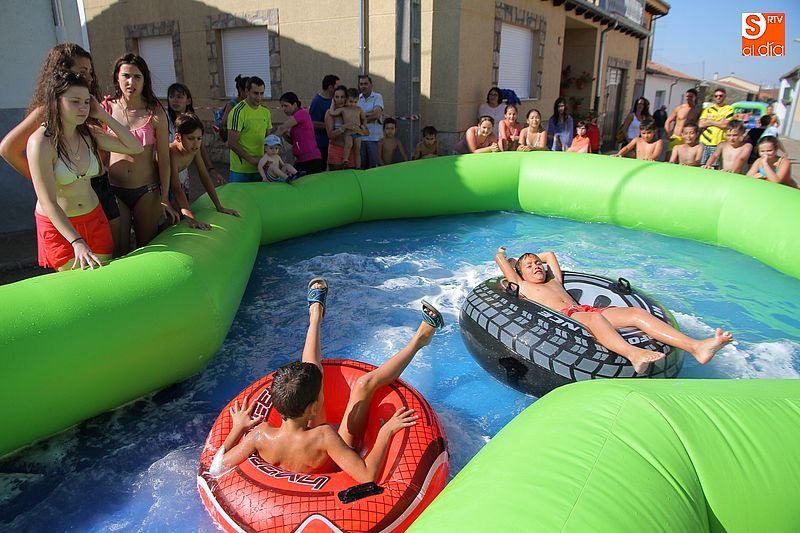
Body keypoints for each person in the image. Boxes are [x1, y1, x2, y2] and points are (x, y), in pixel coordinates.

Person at [208, 279, 445, 480]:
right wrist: (385, 432)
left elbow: (216, 467)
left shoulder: (259, 435)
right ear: (313, 408)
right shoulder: (326, 436)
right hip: (335, 455)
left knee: (311, 370)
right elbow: (366, 476)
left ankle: (315, 316)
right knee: (364, 384)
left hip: (300, 437)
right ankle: (420, 341)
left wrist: (237, 429)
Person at [495, 248, 733, 373]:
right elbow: (501, 263)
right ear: (520, 273)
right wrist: (507, 256)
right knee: (593, 319)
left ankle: (696, 347)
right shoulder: (523, 285)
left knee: (636, 314)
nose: (537, 266)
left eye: (538, 264)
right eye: (530, 265)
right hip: (566, 318)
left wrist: (534, 257)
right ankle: (633, 353)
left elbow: (549, 255)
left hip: (582, 309)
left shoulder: (554, 280)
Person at [0, 43, 124, 253]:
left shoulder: (88, 105)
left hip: (97, 185)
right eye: (83, 71)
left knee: (116, 249)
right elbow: (8, 149)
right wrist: (47, 177)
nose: (90, 77)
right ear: (63, 71)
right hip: (69, 195)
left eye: (91, 72)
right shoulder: (46, 112)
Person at [28, 72, 144, 271]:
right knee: (75, 290)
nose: (83, 108)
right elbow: (47, 201)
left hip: (94, 218)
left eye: (85, 101)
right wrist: (77, 242)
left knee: (101, 280)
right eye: (75, 101)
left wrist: (101, 114)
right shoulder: (40, 142)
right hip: (62, 230)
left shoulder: (89, 133)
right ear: (55, 101)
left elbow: (135, 147)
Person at [102, 53, 179, 255]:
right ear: (117, 78)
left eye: (137, 77)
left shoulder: (155, 113)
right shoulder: (106, 109)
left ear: (145, 80)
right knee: (118, 250)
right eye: (126, 75)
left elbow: (164, 160)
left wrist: (164, 197)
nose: (131, 82)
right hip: (115, 190)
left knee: (147, 249)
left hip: (147, 190)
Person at [168, 113, 239, 230]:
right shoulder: (172, 153)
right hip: (151, 187)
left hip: (168, 187)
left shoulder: (194, 150)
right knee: (165, 222)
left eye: (199, 138)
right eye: (190, 138)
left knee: (177, 216)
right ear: (178, 137)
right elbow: (176, 188)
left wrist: (219, 206)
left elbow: (204, 176)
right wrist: (192, 219)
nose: (196, 143)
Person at [166, 83, 224, 187]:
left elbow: (200, 149)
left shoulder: (193, 121)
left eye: (179, 96)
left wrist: (211, 169)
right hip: (164, 176)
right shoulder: (163, 119)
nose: (175, 100)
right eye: (171, 96)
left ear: (188, 100)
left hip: (182, 176)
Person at [227, 76, 272, 183]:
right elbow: (232, 143)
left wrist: (269, 159)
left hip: (260, 169)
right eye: (255, 93)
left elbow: (268, 139)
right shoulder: (238, 111)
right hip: (241, 171)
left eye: (262, 93)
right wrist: (253, 160)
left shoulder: (266, 112)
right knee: (238, 200)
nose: (259, 97)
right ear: (247, 91)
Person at [273, 92, 324, 175]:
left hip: (310, 160)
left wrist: (269, 142)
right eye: (282, 106)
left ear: (295, 104)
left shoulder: (301, 113)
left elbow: (282, 127)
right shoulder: (296, 119)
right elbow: (293, 141)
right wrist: (284, 134)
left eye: (286, 106)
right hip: (302, 159)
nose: (283, 109)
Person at [327, 88, 368, 168]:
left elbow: (364, 118)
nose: (352, 104)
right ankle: (345, 160)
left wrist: (364, 126)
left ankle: (358, 166)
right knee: (348, 144)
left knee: (357, 149)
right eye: (350, 101)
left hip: (357, 132)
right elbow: (332, 113)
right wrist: (332, 104)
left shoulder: (358, 109)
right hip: (348, 133)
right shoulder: (343, 109)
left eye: (355, 102)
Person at [308, 74, 339, 165]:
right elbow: (312, 123)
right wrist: (331, 127)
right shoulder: (317, 101)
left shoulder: (335, 100)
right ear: (330, 87)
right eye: (337, 86)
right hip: (321, 143)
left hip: (334, 143)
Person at [698, 88, 734, 167]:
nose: (718, 97)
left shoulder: (729, 109)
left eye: (720, 96)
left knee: (714, 167)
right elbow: (700, 124)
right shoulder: (708, 109)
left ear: (724, 96)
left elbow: (725, 125)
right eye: (716, 96)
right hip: (704, 142)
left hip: (718, 143)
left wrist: (709, 121)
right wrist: (719, 122)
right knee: (701, 165)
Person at [664, 89, 702, 157]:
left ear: (695, 97)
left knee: (685, 159)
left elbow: (700, 125)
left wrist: (696, 137)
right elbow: (668, 121)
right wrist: (668, 135)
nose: (688, 98)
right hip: (676, 137)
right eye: (687, 96)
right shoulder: (679, 108)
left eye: (691, 96)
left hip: (688, 139)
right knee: (669, 158)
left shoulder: (698, 110)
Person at [357, 75, 384, 169]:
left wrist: (362, 118)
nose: (363, 86)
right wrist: (369, 114)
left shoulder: (377, 97)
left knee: (374, 167)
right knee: (362, 167)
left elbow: (376, 115)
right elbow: (354, 117)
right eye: (361, 84)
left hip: (374, 139)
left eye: (365, 84)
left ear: (371, 85)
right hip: (360, 139)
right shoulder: (357, 99)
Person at [217, 74, 248, 143]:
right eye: (248, 91)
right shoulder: (232, 104)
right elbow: (224, 122)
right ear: (241, 90)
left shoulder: (249, 103)